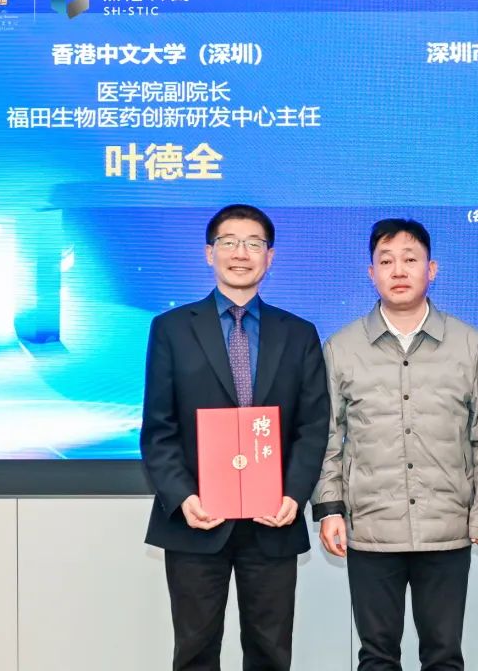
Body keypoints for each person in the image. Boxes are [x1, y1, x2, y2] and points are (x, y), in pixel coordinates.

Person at [312, 218, 478, 671]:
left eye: (410, 259)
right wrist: (329, 510)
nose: (398, 270)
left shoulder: (470, 344)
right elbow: (327, 438)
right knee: (376, 656)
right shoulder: (341, 348)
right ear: (371, 273)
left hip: (447, 528)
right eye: (386, 261)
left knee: (443, 656)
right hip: (370, 529)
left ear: (431, 269)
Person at [140, 204, 330, 671]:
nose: (240, 253)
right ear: (210, 253)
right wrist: (184, 497)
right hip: (196, 520)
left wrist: (293, 495)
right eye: (229, 242)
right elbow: (159, 428)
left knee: (270, 653)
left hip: (272, 520)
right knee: (195, 652)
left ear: (270, 257)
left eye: (253, 244)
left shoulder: (299, 333)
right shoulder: (171, 329)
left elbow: (313, 426)